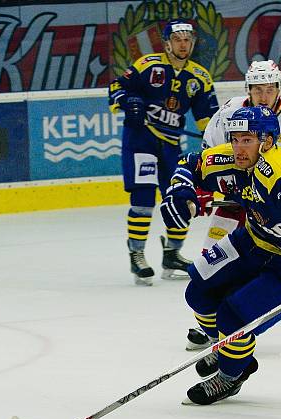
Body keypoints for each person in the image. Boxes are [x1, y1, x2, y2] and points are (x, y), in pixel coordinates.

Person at [159, 106, 281, 405]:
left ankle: (233, 373)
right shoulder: (232, 158)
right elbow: (191, 163)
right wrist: (180, 191)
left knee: (233, 315)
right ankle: (229, 348)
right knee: (199, 291)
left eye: (247, 139)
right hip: (255, 239)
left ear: (268, 141)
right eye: (235, 138)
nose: (237, 147)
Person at [184, 59, 281, 349]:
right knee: (210, 262)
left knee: (276, 255)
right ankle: (215, 327)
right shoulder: (232, 111)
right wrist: (202, 190)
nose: (263, 96)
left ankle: (238, 321)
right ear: (248, 89)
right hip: (241, 193)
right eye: (257, 89)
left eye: (269, 89)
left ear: (278, 88)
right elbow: (209, 154)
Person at [108, 19, 219, 285]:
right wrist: (128, 101)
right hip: (140, 141)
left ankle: (172, 254)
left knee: (181, 197)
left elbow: (209, 120)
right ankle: (137, 255)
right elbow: (116, 88)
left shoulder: (200, 77)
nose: (183, 44)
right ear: (167, 43)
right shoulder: (148, 66)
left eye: (187, 40)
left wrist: (215, 143)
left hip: (171, 145)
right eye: (178, 40)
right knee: (143, 198)